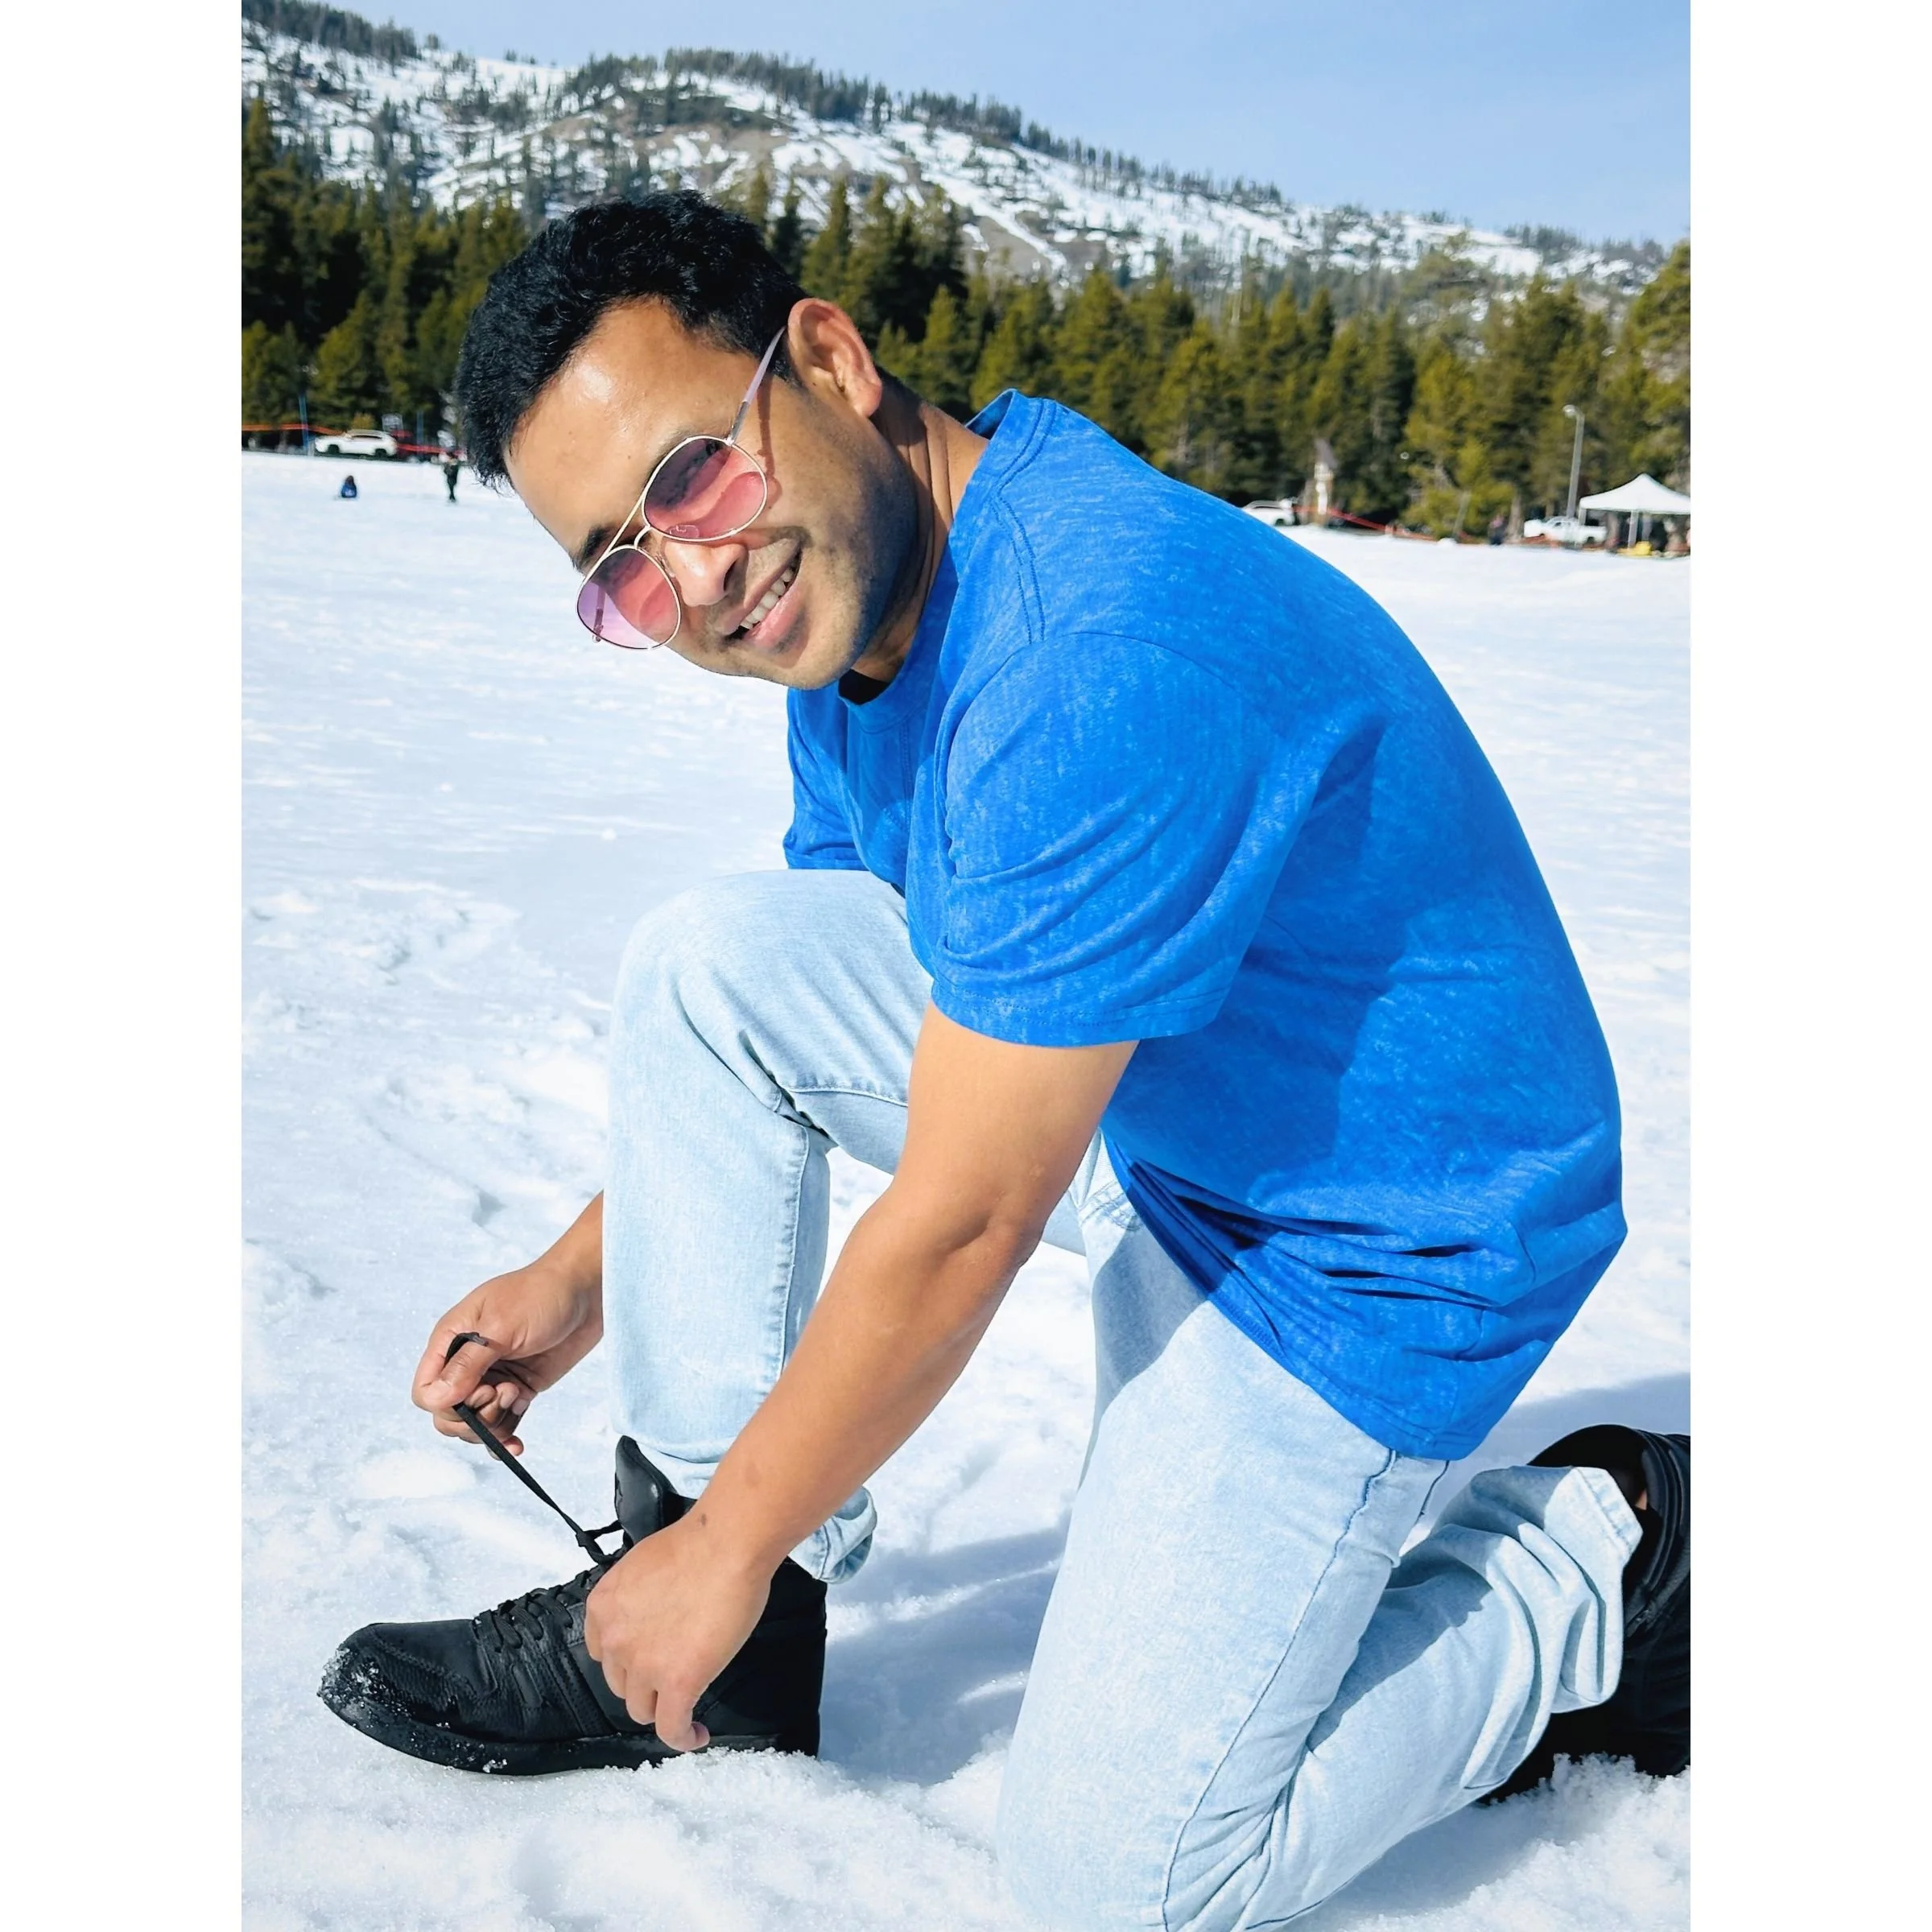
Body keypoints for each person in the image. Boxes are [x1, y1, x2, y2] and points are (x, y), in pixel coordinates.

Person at [320, 194, 1689, 1930]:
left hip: (1378, 1232)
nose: (695, 575)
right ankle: (728, 1640)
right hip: (1170, 1093)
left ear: (828, 358)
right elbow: (856, 1000)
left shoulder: (1090, 652)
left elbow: (963, 1215)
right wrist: (583, 1279)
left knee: (1125, 1885)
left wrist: (721, 1545)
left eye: (692, 479)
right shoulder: (862, 609)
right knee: (712, 971)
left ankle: (1609, 1573)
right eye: (621, 562)